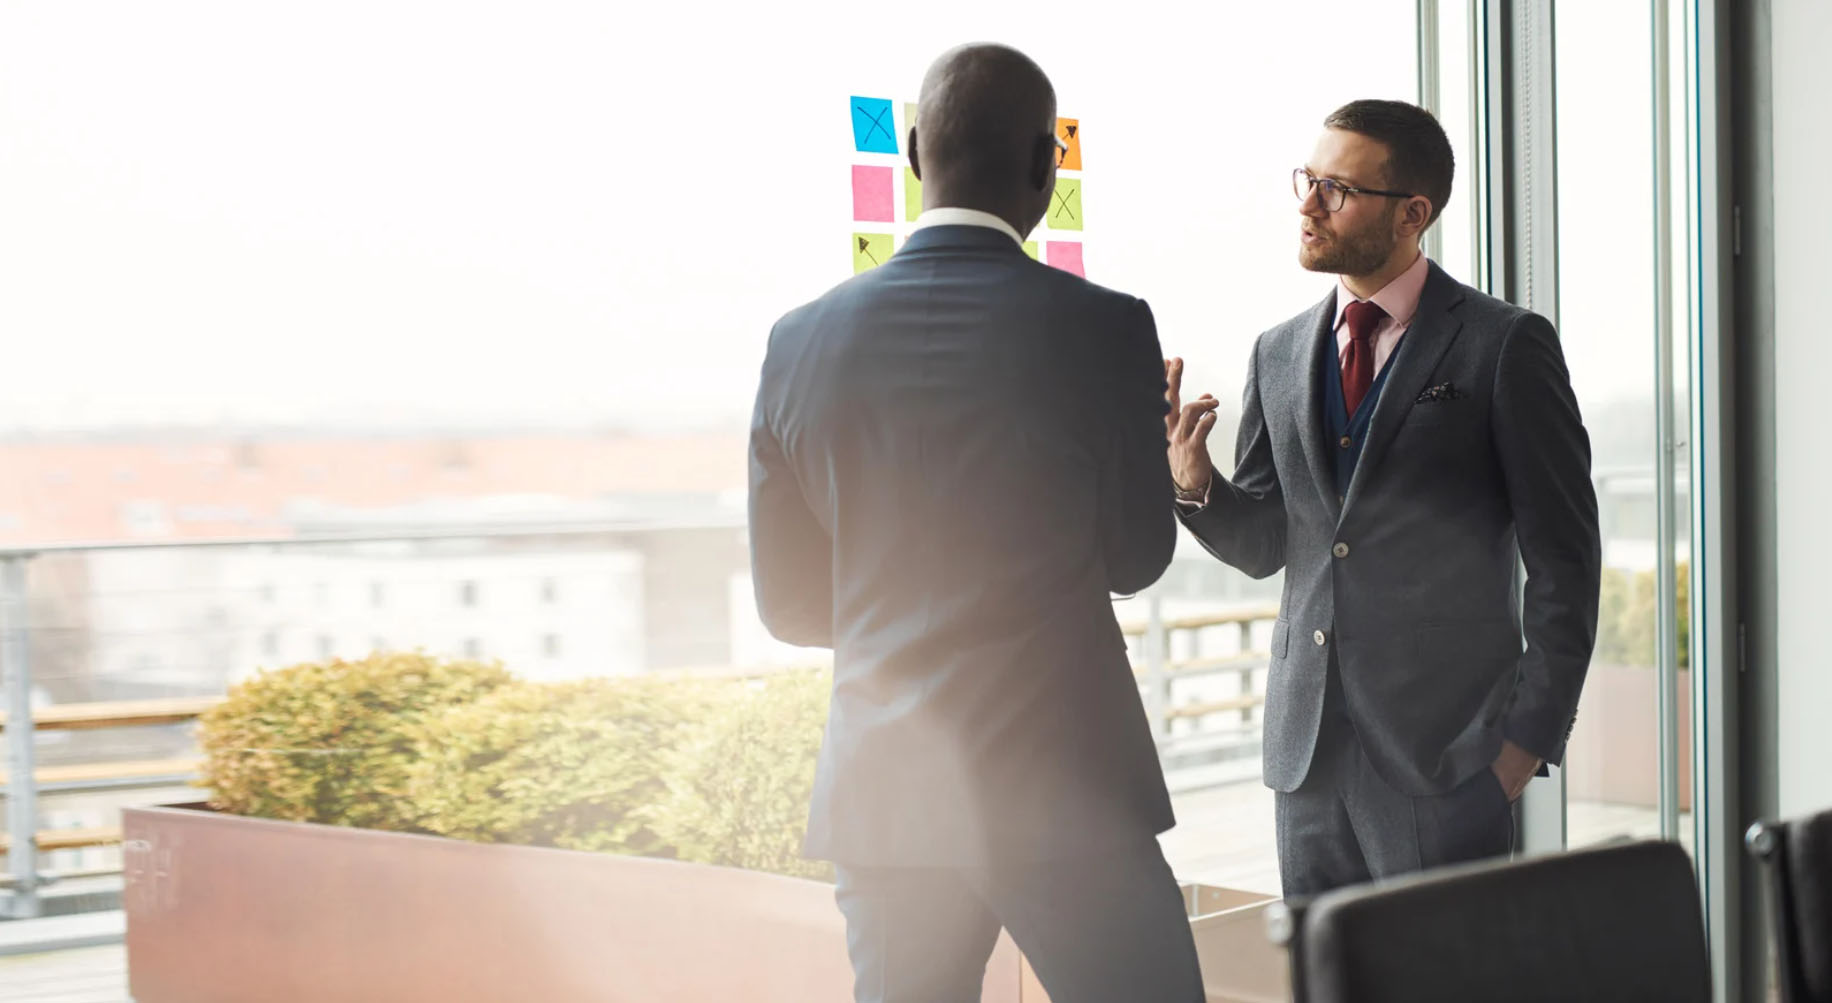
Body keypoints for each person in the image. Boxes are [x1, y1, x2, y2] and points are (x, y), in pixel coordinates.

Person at [748, 42, 1205, 1003]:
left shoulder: (796, 342)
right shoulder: (1107, 327)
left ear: (915, 153)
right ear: (1047, 166)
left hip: (886, 795)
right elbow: (1136, 556)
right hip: (1065, 790)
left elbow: (789, 606)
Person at [1165, 99, 1602, 898]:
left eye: (1336, 189)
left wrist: (1523, 746)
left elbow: (1566, 563)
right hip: (1306, 765)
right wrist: (1197, 487)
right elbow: (1271, 543)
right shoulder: (1278, 351)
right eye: (1308, 180)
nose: (1307, 204)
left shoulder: (1504, 345)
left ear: (1413, 212)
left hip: (1447, 762)